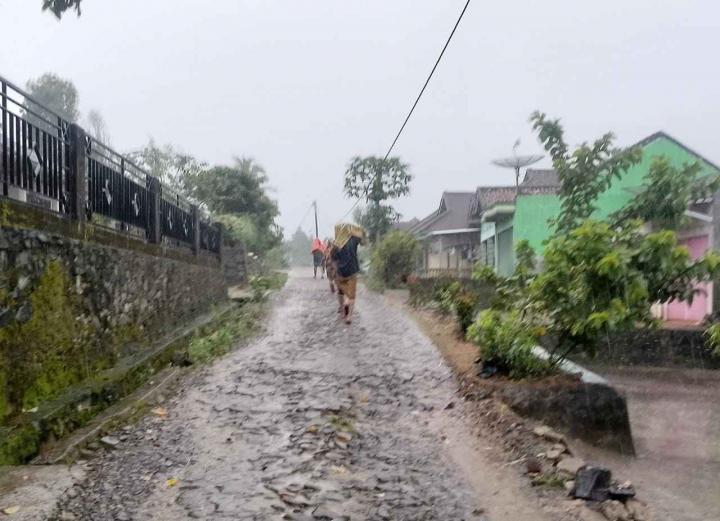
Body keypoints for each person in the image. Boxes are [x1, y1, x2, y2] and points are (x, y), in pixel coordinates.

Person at [331, 223, 364, 324]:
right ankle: (349, 316)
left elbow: (333, 260)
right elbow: (361, 234)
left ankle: (344, 305)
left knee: (343, 292)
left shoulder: (335, 245)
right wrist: (352, 230)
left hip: (341, 273)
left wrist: (336, 270)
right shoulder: (353, 240)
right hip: (352, 271)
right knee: (352, 295)